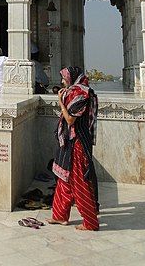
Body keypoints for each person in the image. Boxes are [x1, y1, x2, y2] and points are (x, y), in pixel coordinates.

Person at [47, 66, 99, 231]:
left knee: (78, 182)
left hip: (78, 142)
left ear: (71, 78)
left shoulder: (81, 93)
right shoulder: (76, 91)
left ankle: (90, 222)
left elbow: (70, 120)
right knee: (64, 178)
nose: (62, 82)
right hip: (70, 141)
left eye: (64, 78)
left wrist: (61, 102)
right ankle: (60, 215)